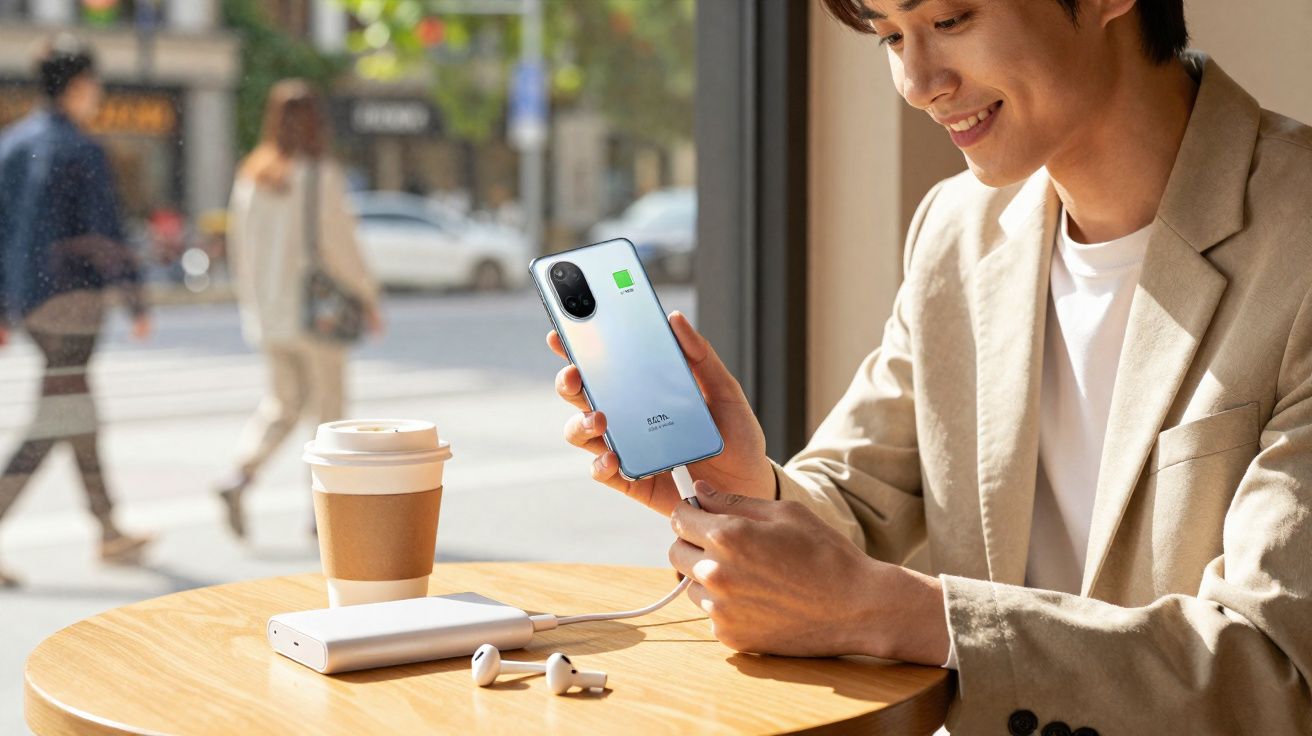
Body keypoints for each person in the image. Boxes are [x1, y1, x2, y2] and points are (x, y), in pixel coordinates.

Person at [547, 0, 1312, 732]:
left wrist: (902, 614)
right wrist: (742, 485)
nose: (918, 85)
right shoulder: (959, 231)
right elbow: (858, 509)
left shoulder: (1296, 240)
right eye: (890, 37)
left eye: (950, 21)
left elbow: (1274, 674)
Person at [0, 35, 154, 587]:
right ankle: (108, 529)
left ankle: (109, 529)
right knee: (54, 421)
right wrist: (135, 295)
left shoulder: (12, 144)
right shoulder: (82, 149)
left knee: (76, 412)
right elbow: (105, 231)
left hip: (32, 304)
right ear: (81, 85)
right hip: (75, 304)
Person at [217, 79, 382, 538]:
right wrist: (368, 296)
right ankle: (323, 513)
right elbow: (340, 248)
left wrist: (253, 307)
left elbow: (238, 251)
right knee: (329, 414)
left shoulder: (252, 175)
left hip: (270, 317)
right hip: (317, 315)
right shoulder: (319, 175)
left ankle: (240, 474)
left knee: (281, 404)